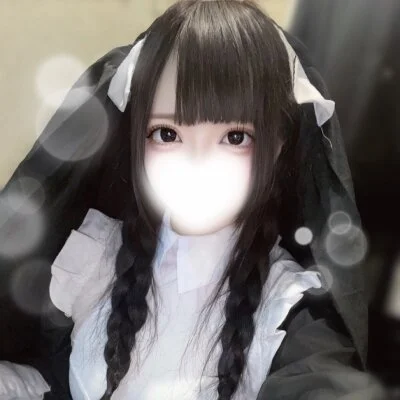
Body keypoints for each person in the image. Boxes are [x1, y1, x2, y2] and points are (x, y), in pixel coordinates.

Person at [0, 0, 388, 399]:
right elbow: (50, 375)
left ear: (278, 145)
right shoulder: (94, 258)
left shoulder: (290, 311)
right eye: (167, 134)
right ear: (136, 138)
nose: (197, 166)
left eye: (235, 137)